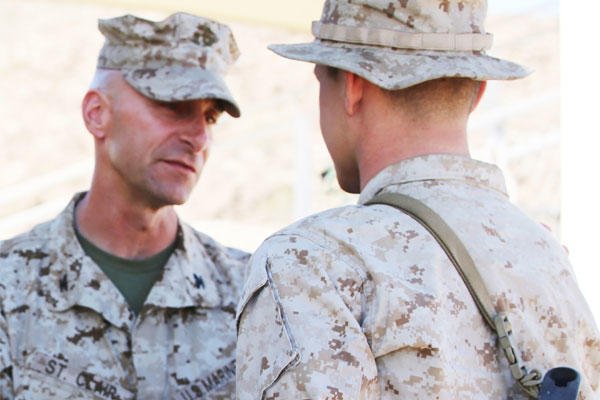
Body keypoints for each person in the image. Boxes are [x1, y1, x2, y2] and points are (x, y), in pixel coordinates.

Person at [235, 0, 600, 398]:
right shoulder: (546, 256)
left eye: (322, 80)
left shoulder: (312, 261)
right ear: (478, 91)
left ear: (353, 86)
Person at [0, 12, 248, 399]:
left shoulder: (248, 293)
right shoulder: (9, 288)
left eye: (210, 116)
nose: (199, 137)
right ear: (97, 114)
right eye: (174, 106)